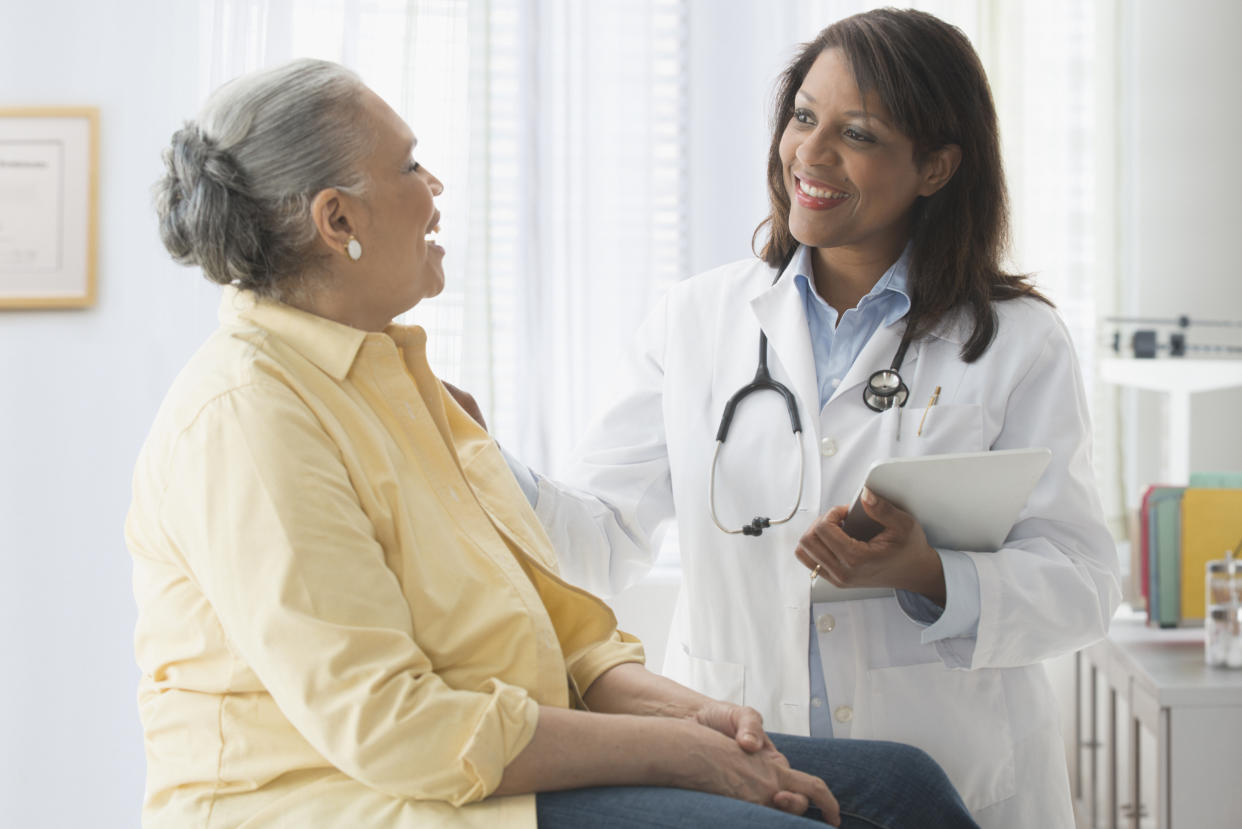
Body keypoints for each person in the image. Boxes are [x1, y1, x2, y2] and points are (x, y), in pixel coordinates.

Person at [125, 58, 980, 829]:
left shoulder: (400, 377)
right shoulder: (250, 416)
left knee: (904, 788)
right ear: (336, 217)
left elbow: (565, 637)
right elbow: (394, 729)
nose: (436, 187)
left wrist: (698, 718)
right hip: (352, 799)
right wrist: (682, 755)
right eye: (410, 164)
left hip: (486, 767)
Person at [513, 9, 1122, 829]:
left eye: (858, 134)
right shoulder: (699, 320)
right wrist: (475, 459)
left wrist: (931, 574)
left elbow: (1083, 584)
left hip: (953, 776)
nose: (811, 152)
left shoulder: (1016, 341)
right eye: (804, 117)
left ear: (936, 166)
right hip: (751, 764)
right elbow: (595, 536)